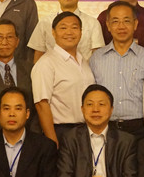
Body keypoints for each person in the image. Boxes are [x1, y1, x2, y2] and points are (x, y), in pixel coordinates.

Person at [90, 1, 144, 138]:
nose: (121, 26)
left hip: (140, 128)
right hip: (105, 128)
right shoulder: (96, 58)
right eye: (115, 21)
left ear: (135, 24)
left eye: (126, 21)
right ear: (108, 25)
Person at [31, 11, 96, 145]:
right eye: (63, 27)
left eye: (74, 27)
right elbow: (41, 104)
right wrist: (52, 142)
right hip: (61, 132)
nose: (69, 32)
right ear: (53, 33)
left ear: (81, 32)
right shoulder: (46, 63)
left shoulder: (83, 61)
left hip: (86, 130)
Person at [29, 0, 104, 63]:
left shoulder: (92, 23)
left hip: (83, 70)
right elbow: (38, 53)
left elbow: (97, 55)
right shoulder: (44, 22)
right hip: (53, 70)